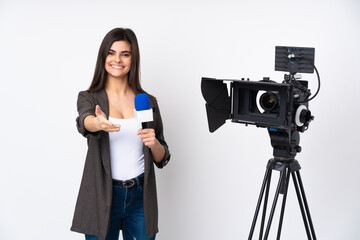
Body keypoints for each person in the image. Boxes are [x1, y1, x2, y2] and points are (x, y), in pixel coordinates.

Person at [71, 28, 171, 240]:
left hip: (140, 196)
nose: (117, 59)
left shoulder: (147, 102)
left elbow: (162, 157)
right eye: (111, 53)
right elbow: (84, 121)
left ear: (133, 59)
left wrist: (154, 145)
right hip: (103, 194)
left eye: (125, 54)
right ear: (103, 57)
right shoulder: (89, 97)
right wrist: (97, 123)